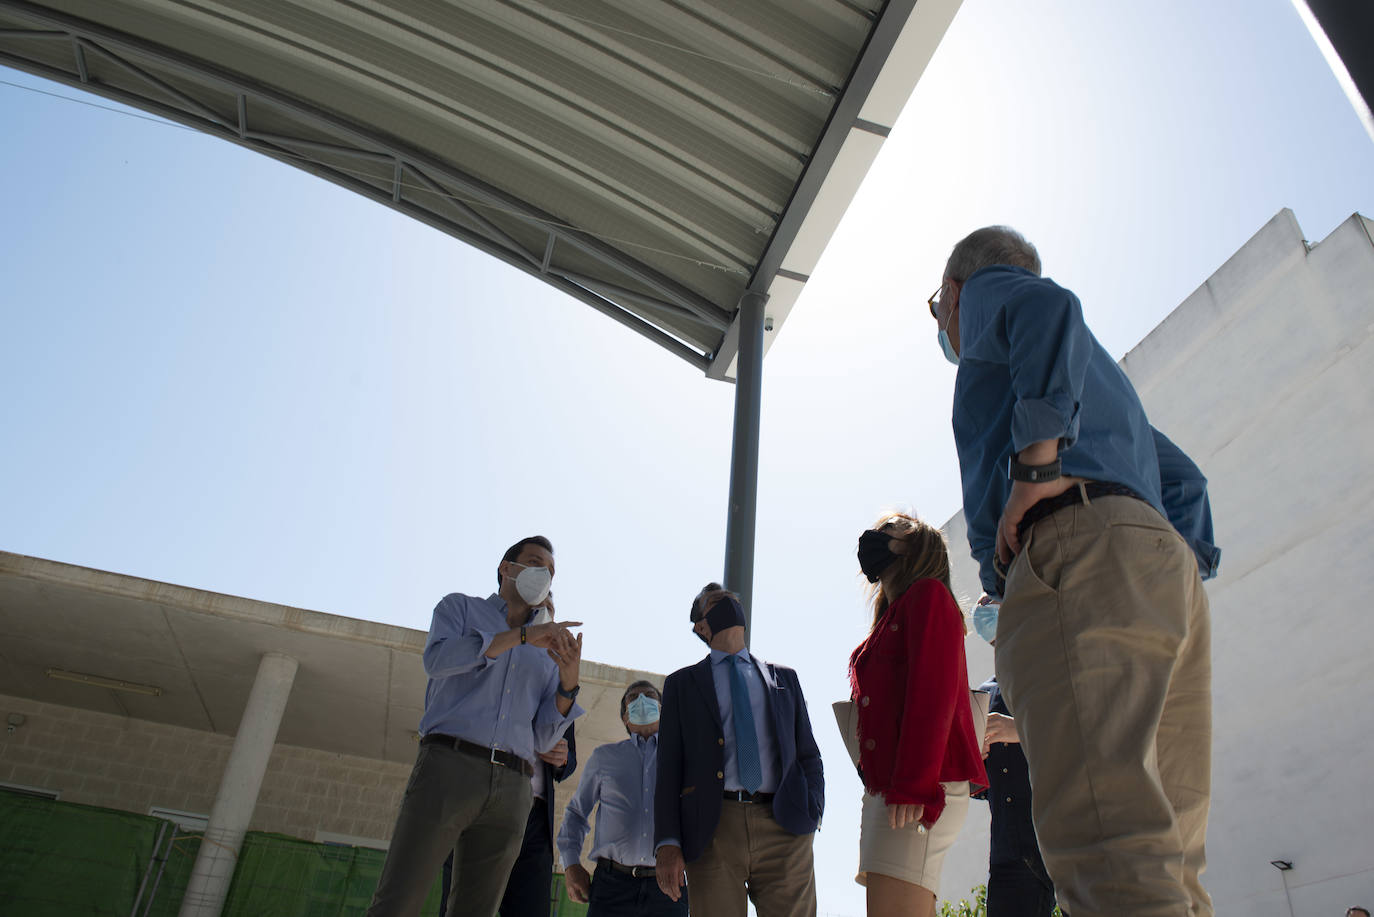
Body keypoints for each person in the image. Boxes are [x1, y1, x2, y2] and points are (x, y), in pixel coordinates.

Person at [931, 225, 1215, 917]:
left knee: (1109, 849)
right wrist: (1169, 563)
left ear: (953, 294)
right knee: (1171, 856)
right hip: (1158, 574)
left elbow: (1048, 308)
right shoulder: (1100, 385)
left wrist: (1035, 469)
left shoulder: (989, 294)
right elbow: (1187, 483)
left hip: (1075, 554)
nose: (941, 325)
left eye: (936, 309)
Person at [365, 536, 585, 917]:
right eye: (535, 563)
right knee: (399, 898)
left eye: (550, 572)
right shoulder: (459, 608)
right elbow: (438, 660)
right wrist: (520, 637)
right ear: (506, 568)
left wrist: (568, 682)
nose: (544, 575)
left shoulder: (548, 648)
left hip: (514, 786)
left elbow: (542, 736)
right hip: (449, 766)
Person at [654, 583, 825, 917]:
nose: (729, 604)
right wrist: (668, 842)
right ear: (701, 626)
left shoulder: (784, 679)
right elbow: (668, 768)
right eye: (717, 603)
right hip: (713, 827)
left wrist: (812, 810)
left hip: (784, 822)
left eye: (732, 601)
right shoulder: (682, 684)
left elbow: (808, 753)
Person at [851, 514, 987, 917]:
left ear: (915, 544)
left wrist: (912, 786)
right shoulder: (893, 616)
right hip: (894, 789)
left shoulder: (928, 596)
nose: (876, 534)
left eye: (890, 526)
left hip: (918, 788)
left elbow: (933, 695)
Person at [557, 681, 687, 917]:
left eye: (649, 695)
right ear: (625, 718)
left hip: (668, 885)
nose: (642, 700)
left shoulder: (682, 758)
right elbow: (576, 813)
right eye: (633, 698)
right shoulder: (604, 757)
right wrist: (570, 863)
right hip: (611, 885)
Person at [970, 600, 1056, 917]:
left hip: (1058, 838)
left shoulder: (1052, 672)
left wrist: (1018, 729)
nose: (982, 604)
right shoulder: (983, 692)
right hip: (1007, 854)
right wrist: (974, 762)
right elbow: (978, 786)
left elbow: (1078, 734)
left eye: (989, 599)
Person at [438, 731, 577, 917]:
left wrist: (564, 759)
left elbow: (570, 760)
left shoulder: (559, 702)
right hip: (484, 800)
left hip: (535, 819)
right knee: (464, 905)